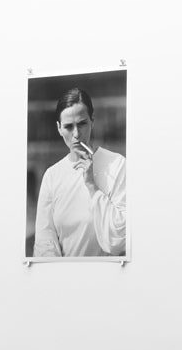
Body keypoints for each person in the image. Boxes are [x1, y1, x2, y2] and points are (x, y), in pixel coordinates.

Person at [33, 86, 127, 257]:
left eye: (82, 124)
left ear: (93, 121)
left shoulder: (117, 164)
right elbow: (44, 244)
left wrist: (92, 185)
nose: (76, 134)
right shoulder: (52, 176)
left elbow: (119, 240)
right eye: (69, 127)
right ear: (59, 128)